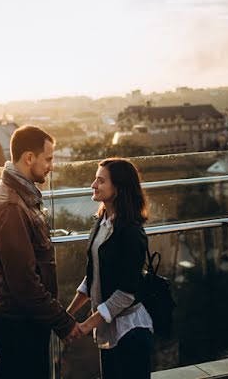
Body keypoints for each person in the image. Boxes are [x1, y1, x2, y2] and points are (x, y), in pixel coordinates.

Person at [0, 125, 79, 378]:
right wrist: (63, 322)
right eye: (48, 159)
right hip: (19, 325)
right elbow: (24, 283)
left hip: (23, 320)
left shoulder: (19, 196)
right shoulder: (12, 206)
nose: (52, 165)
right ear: (29, 158)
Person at [66, 158, 153, 379]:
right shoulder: (102, 222)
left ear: (119, 188)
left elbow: (125, 294)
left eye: (100, 180)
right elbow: (93, 276)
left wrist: (86, 325)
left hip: (130, 332)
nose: (93, 185)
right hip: (108, 328)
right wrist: (66, 316)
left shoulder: (131, 232)